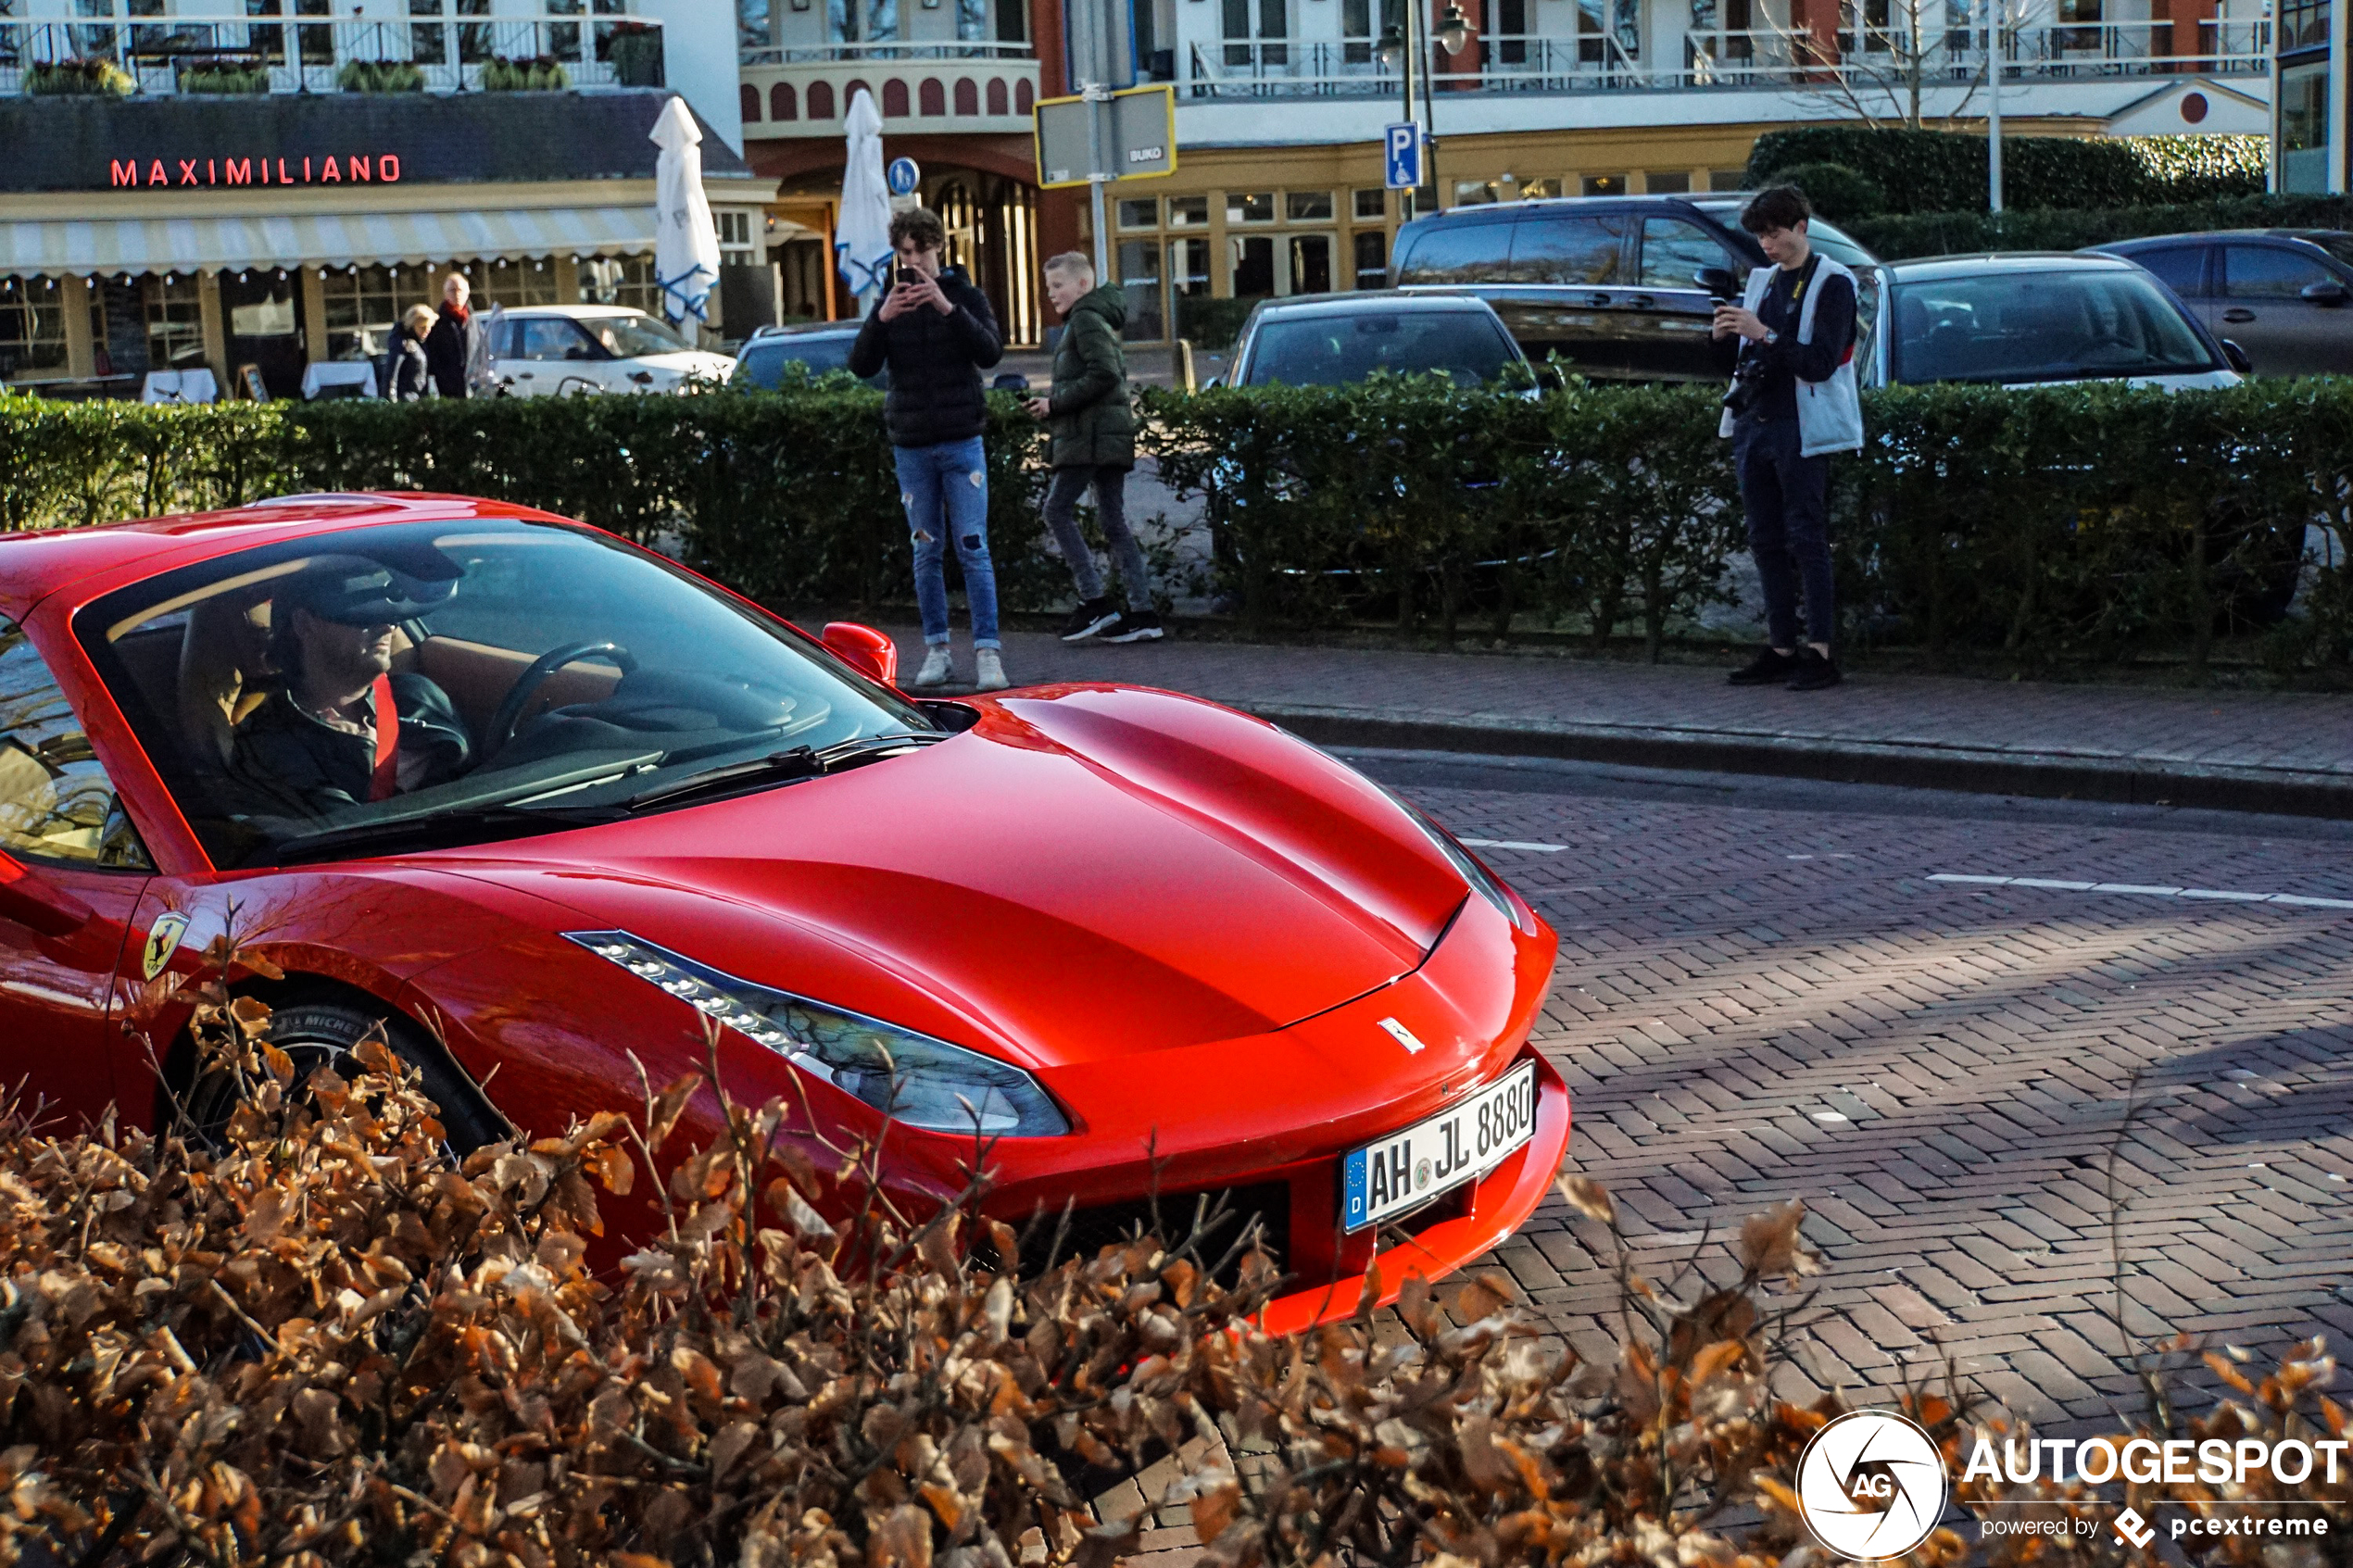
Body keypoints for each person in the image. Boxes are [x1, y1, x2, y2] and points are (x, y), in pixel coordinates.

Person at [848, 207, 1009, 692]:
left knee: (973, 547)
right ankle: (937, 650)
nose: (912, 261)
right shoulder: (889, 302)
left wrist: (945, 305)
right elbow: (860, 365)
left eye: (920, 250)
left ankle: (987, 654)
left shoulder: (965, 296)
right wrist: (881, 319)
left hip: (961, 438)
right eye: (904, 252)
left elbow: (989, 352)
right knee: (926, 550)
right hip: (913, 444)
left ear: (939, 248)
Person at [1712, 184, 1863, 693]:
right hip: (1754, 423)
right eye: (1759, 237)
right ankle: (1780, 647)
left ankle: (1820, 652)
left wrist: (1763, 334)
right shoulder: (1762, 282)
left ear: (1801, 227)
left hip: (1802, 425)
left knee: (1807, 537)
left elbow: (1820, 364)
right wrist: (1725, 336)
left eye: (1774, 235)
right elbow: (1746, 356)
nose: (1767, 246)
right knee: (1764, 539)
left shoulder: (1834, 283)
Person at [229, 558, 472, 816]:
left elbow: (479, 775)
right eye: (364, 611)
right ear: (304, 624)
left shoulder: (419, 694)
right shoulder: (269, 743)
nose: (388, 625)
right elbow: (347, 833)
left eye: (389, 612)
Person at [1026, 253, 1160, 644]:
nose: (1050, 295)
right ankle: (1143, 613)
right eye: (1048, 287)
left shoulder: (1084, 320)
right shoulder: (1092, 318)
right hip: (1103, 436)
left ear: (1083, 286)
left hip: (1091, 439)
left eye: (1057, 286)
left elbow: (1104, 374)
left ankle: (1095, 602)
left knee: (1057, 510)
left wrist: (1054, 404)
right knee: (1113, 523)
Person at [422, 271, 491, 399]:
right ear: (445, 293)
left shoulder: (473, 321)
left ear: (467, 292)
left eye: (460, 290)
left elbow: (482, 350)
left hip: (472, 385)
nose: (457, 294)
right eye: (452, 290)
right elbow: (432, 355)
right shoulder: (437, 322)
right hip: (446, 388)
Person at [385, 304, 435, 402]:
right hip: (406, 398)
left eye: (429, 327)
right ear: (412, 325)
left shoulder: (421, 342)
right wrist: (391, 399)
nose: (426, 331)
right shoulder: (401, 343)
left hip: (417, 396)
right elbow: (392, 372)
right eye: (422, 327)